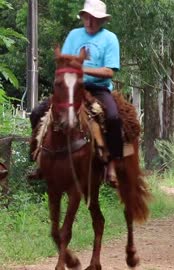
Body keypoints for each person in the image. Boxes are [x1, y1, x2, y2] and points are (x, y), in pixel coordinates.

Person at [29, 0, 122, 186]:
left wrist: (82, 70)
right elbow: (64, 62)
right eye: (87, 17)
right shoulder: (73, 35)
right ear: (83, 17)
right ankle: (37, 156)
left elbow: (110, 71)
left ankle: (112, 163)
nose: (90, 21)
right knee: (37, 112)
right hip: (71, 88)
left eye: (94, 18)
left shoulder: (110, 38)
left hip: (98, 88)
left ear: (101, 20)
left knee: (113, 117)